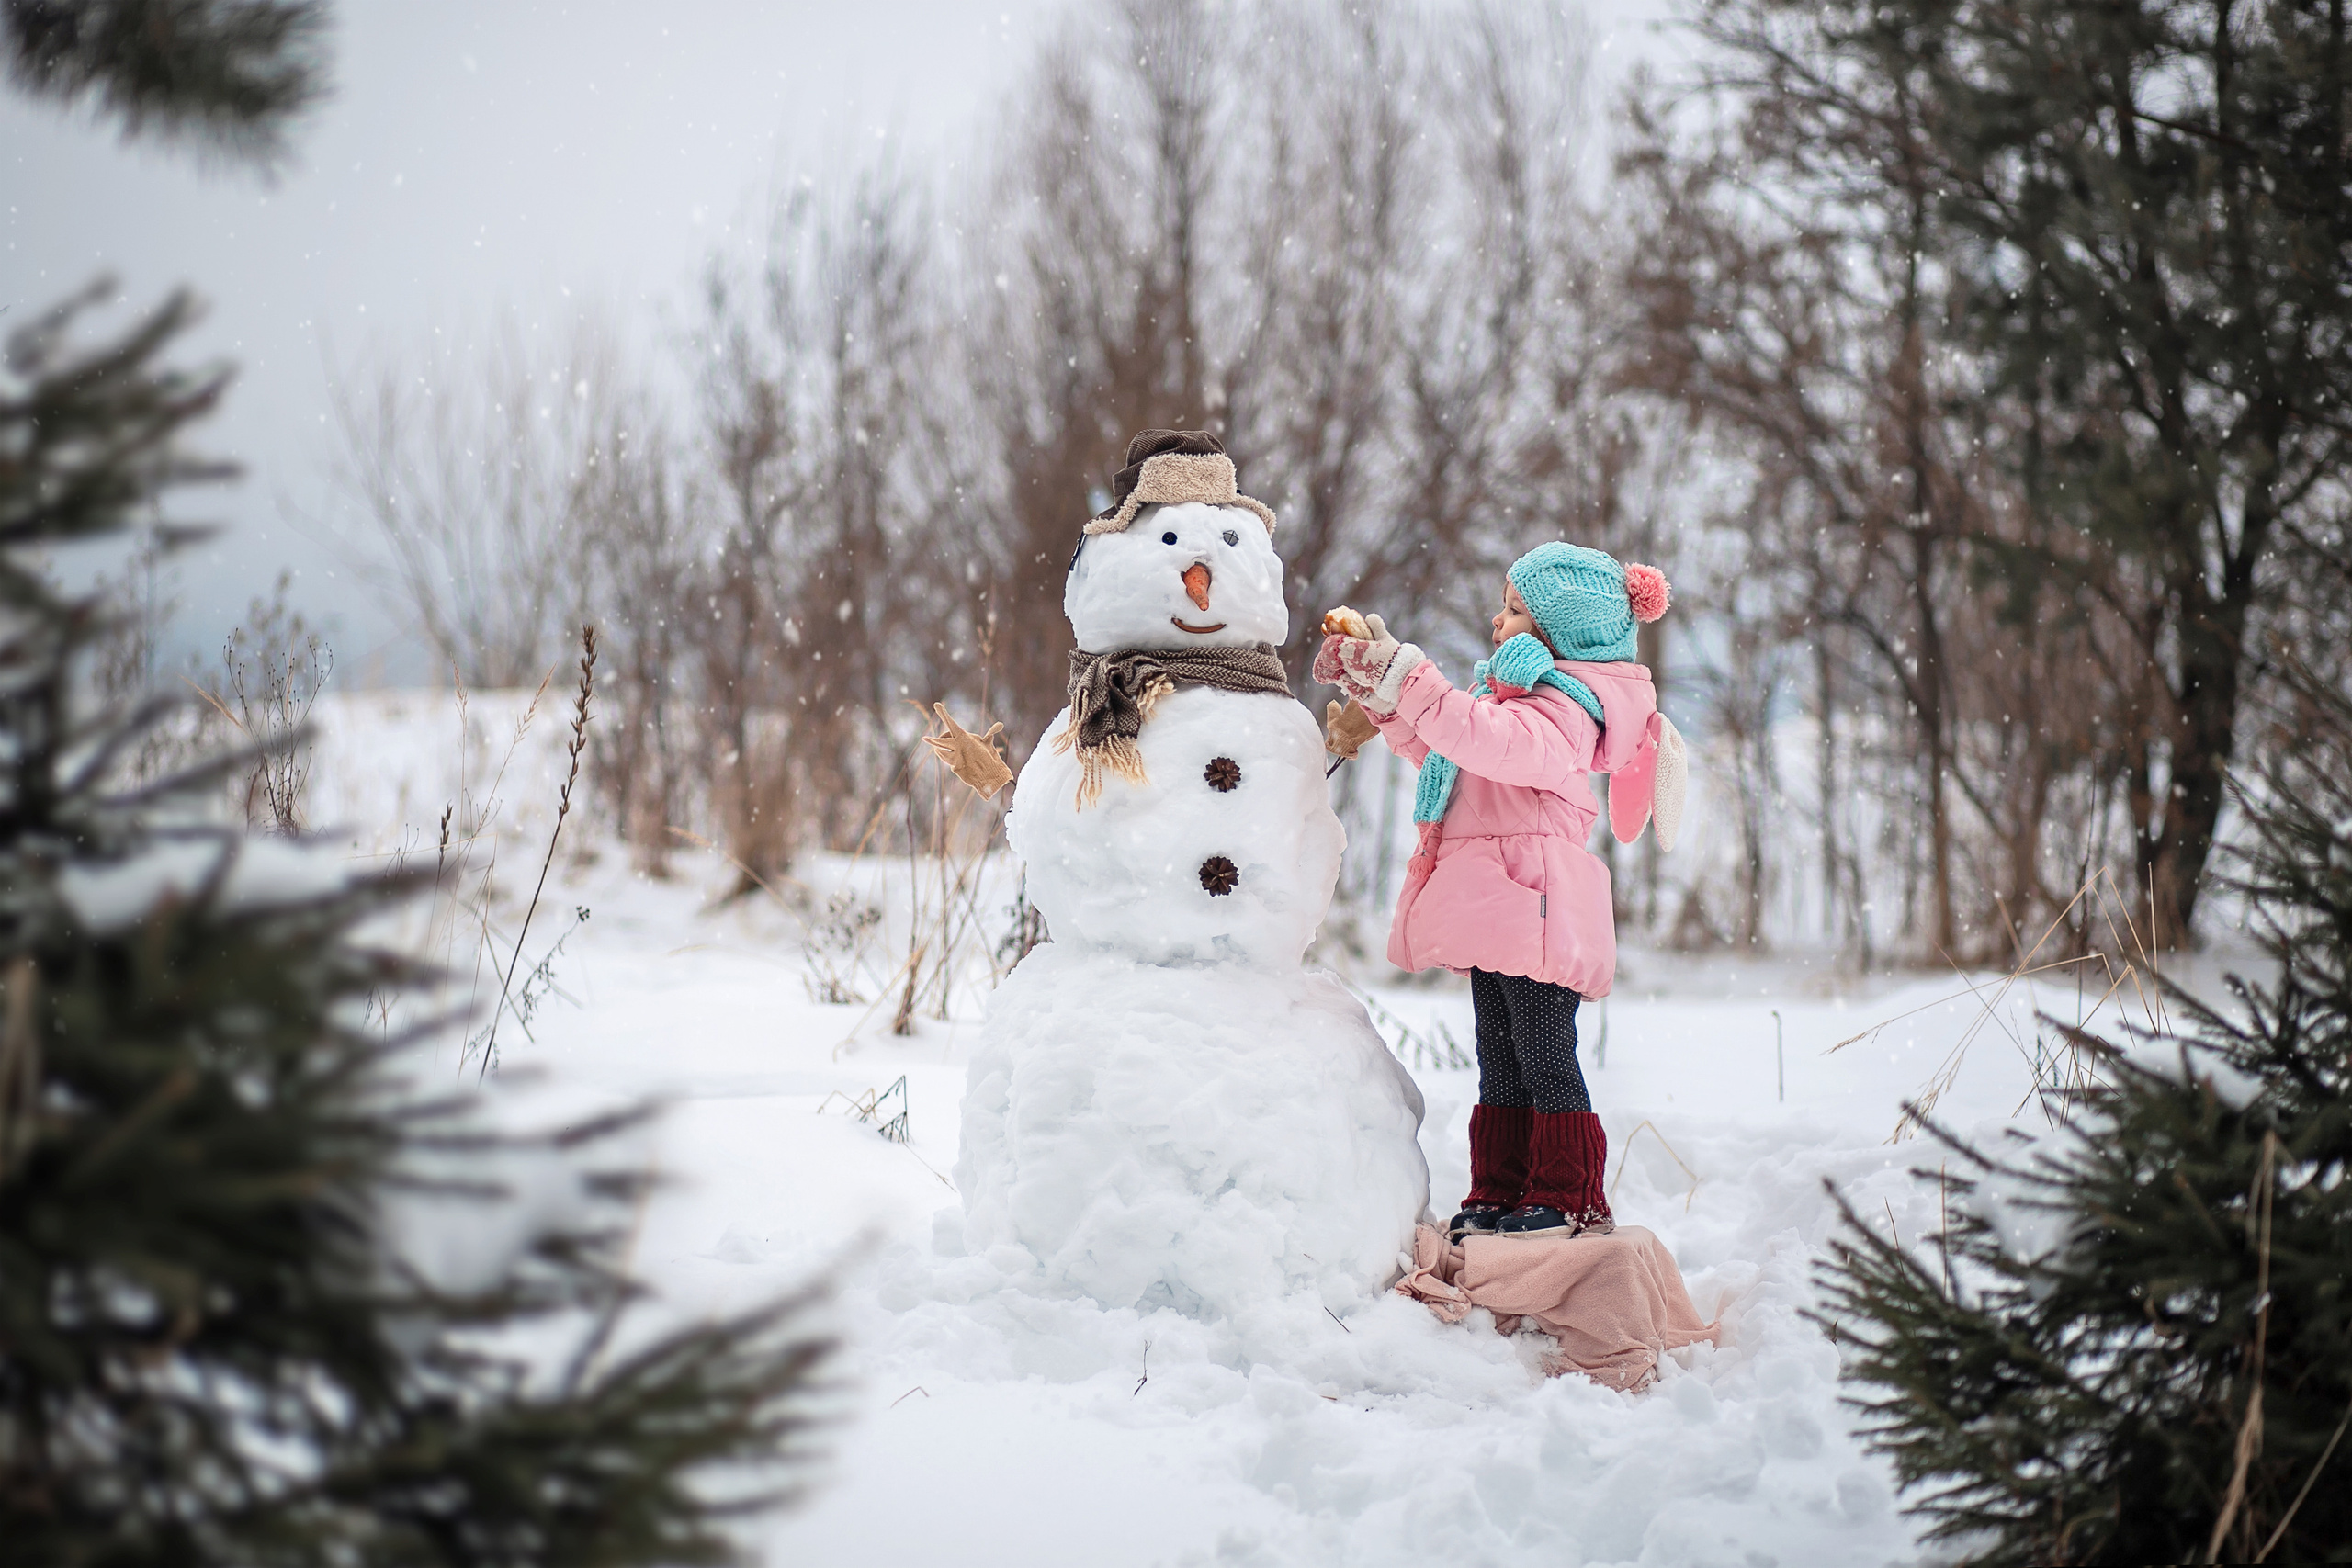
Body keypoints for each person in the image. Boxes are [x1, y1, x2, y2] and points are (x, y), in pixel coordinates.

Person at [1315, 544, 1673, 1239]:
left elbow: (1485, 740)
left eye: (1513, 610)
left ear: (1554, 633)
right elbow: (1450, 753)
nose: (1495, 619)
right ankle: (1501, 1188)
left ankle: (1568, 1194)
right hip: (1500, 912)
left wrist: (1408, 675)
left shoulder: (1566, 713)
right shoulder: (1510, 705)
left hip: (1535, 915)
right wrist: (1384, 699)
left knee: (1543, 1053)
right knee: (1499, 1054)